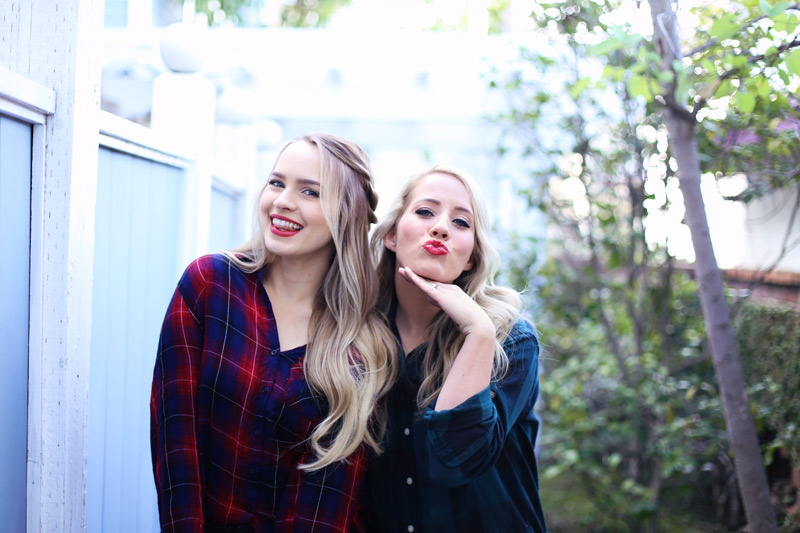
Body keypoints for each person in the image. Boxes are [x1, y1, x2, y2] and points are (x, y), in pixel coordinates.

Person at [150, 133, 396, 532]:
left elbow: (329, 506)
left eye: (310, 191)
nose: (283, 201)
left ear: (346, 215)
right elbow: (175, 443)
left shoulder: (364, 346)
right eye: (276, 182)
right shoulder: (209, 286)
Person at [362, 165, 547, 532]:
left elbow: (455, 464)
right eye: (425, 211)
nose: (441, 227)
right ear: (391, 235)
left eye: (461, 222)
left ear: (472, 256)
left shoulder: (511, 340)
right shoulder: (357, 336)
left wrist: (478, 333)